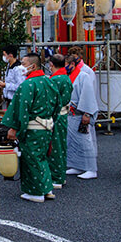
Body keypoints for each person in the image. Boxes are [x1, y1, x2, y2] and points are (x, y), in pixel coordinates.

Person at [2, 53, 57, 203]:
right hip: (47, 125)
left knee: (31, 159)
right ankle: (47, 188)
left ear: (32, 66)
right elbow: (57, 103)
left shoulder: (27, 84)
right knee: (42, 158)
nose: (21, 66)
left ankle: (35, 192)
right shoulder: (49, 81)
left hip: (33, 128)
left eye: (24, 63)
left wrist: (16, 128)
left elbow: (22, 109)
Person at [65, 54, 99, 179]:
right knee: (72, 141)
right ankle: (77, 165)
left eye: (66, 65)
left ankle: (91, 168)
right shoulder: (69, 76)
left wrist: (87, 113)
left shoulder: (83, 76)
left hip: (81, 112)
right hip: (70, 113)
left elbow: (88, 96)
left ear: (72, 64)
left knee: (85, 141)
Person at [48, 54, 73, 189]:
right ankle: (60, 175)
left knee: (54, 146)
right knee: (60, 145)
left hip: (55, 115)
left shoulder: (55, 79)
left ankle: (56, 177)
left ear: (51, 64)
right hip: (63, 114)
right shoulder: (65, 78)